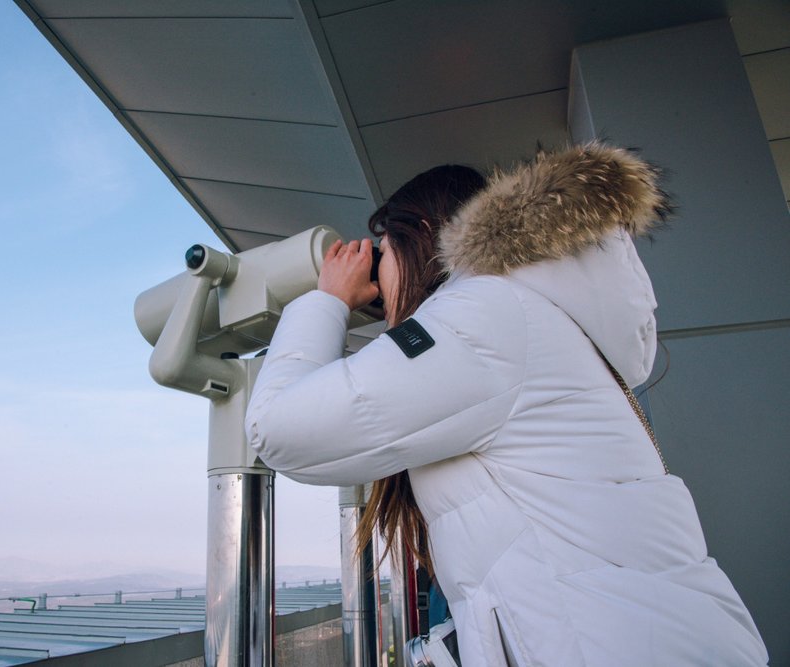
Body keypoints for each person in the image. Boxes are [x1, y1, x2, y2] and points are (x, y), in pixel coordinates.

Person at [244, 143, 768, 666]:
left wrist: (326, 300)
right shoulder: (526, 316)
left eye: (382, 253)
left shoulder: (483, 315)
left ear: (422, 234)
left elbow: (280, 428)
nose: (376, 279)